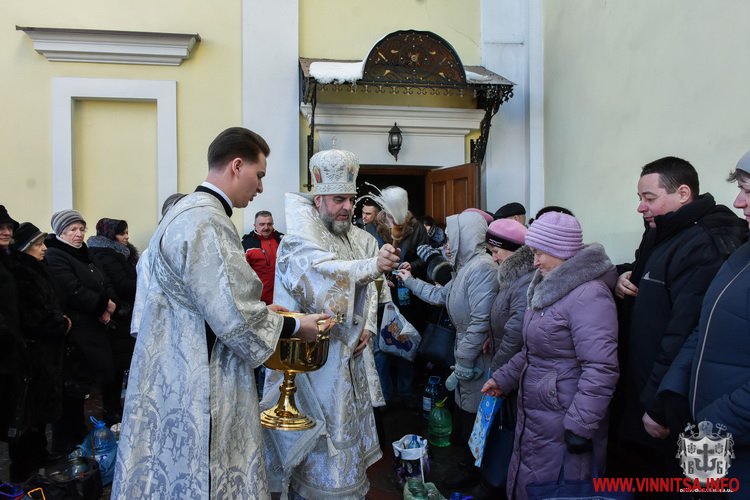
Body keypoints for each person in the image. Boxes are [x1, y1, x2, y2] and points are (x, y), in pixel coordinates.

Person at [112, 127, 328, 499]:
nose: (260, 188)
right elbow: (236, 321)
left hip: (172, 366)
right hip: (200, 379)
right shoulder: (207, 221)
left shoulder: (184, 211)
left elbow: (212, 301)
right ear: (237, 165)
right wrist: (295, 325)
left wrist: (260, 310)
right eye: (259, 175)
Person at [263, 148, 400, 499]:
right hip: (312, 364)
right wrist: (370, 267)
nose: (346, 208)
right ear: (319, 199)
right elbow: (321, 277)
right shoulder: (299, 241)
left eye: (350, 200)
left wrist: (368, 327)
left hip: (351, 356)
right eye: (338, 199)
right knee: (315, 446)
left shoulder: (359, 238)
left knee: (347, 442)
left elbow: (370, 292)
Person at [611, 156, 748, 483]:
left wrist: (691, 418)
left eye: (649, 198)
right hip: (685, 413)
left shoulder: (706, 243)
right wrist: (619, 276)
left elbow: (681, 329)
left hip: (712, 425)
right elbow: (700, 332)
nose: (738, 201)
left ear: (683, 193)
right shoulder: (665, 234)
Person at [482, 212, 619, 499]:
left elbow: (601, 368)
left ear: (561, 251)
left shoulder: (588, 295)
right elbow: (535, 351)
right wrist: (504, 378)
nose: (534, 261)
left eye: (540, 253)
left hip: (564, 416)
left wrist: (581, 425)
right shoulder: (547, 286)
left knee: (556, 486)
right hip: (540, 411)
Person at [659, 152, 750, 492]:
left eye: (748, 190)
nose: (739, 202)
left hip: (728, 439)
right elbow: (706, 323)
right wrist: (673, 388)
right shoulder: (743, 253)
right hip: (709, 437)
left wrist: (711, 426)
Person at [397, 210, 498, 490]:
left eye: (453, 238)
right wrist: (409, 281)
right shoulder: (467, 267)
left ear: (469, 237)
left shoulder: (483, 269)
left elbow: (480, 321)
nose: (448, 245)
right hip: (467, 354)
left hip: (477, 357)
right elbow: (440, 295)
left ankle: (480, 477)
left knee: (477, 419)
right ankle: (469, 469)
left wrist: (464, 363)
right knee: (466, 417)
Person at [44, 209, 120, 450]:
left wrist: (109, 302)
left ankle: (90, 430)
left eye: (81, 229)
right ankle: (68, 442)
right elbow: (72, 289)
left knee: (102, 376)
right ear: (61, 232)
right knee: (76, 387)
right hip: (79, 329)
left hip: (97, 324)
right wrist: (103, 306)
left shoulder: (84, 252)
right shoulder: (56, 255)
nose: (78, 234)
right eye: (72, 230)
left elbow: (103, 280)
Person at [9, 223, 70, 480]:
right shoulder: (22, 273)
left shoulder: (37, 268)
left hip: (46, 353)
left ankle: (40, 454)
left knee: (41, 410)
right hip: (33, 354)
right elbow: (34, 315)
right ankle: (23, 465)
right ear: (25, 248)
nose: (44, 249)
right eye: (38, 244)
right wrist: (61, 324)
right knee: (28, 414)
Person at [372, 195, 428, 407]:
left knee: (405, 341)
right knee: (381, 346)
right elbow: (367, 259)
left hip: (408, 295)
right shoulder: (374, 228)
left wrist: (411, 265)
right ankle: (383, 395)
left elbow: (425, 256)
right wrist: (380, 277)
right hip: (381, 295)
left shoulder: (417, 229)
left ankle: (406, 392)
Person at [87, 218, 138, 421]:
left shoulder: (122, 253)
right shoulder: (107, 256)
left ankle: (116, 410)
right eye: (121, 233)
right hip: (117, 316)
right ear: (110, 235)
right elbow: (122, 284)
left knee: (121, 364)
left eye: (126, 232)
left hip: (124, 314)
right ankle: (112, 411)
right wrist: (145, 278)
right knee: (115, 367)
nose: (126, 237)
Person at [130, 193, 185, 337]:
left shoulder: (197, 251)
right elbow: (144, 292)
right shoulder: (151, 254)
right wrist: (143, 331)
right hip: (162, 327)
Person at [241, 210, 283, 304]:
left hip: (283, 299)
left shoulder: (283, 240)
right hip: (259, 301)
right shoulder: (246, 244)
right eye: (262, 224)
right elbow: (241, 276)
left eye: (269, 224)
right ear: (255, 225)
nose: (266, 227)